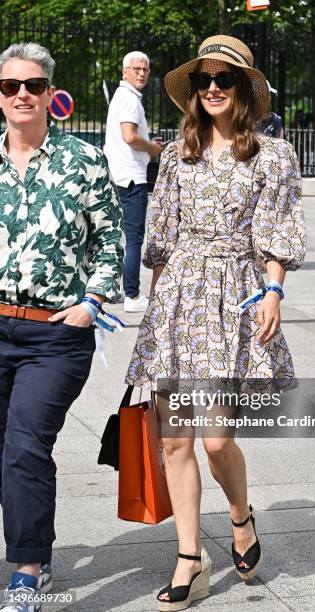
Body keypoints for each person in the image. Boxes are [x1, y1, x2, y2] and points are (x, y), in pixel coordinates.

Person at [125, 35, 306, 610]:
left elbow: (277, 230)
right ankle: (189, 559)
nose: (211, 90)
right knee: (174, 439)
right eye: (203, 81)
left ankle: (239, 514)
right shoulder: (179, 153)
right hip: (178, 296)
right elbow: (161, 236)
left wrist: (273, 289)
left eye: (222, 80)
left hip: (235, 295)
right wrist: (154, 315)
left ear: (245, 89)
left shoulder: (274, 155)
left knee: (216, 436)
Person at [0, 42, 124, 611]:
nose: (21, 94)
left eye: (32, 85)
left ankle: (27, 570)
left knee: (25, 444)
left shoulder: (84, 160)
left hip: (54, 334)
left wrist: (91, 301)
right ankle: (37, 547)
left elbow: (109, 240)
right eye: (10, 87)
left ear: (51, 94)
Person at [104, 51, 162, 313]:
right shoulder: (128, 99)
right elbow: (129, 136)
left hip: (118, 175)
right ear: (124, 71)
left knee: (117, 237)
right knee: (134, 239)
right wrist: (151, 148)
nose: (141, 73)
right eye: (136, 69)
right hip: (131, 178)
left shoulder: (123, 97)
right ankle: (132, 295)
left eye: (145, 69)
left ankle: (115, 289)